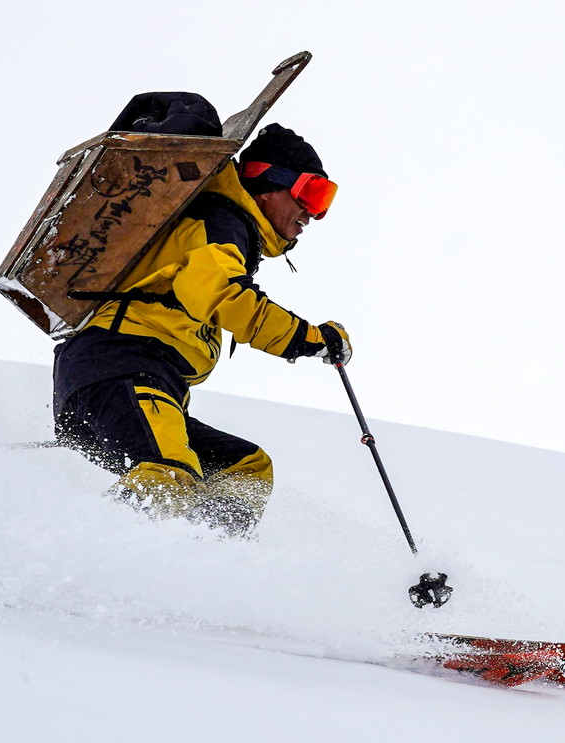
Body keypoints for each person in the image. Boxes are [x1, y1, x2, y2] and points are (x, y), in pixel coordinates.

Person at [51, 121, 350, 537]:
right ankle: (81, 563)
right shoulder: (222, 220)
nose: (314, 214)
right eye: (312, 194)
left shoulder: (229, 230)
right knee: (169, 474)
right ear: (268, 184)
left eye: (325, 200)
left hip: (136, 384)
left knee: (245, 468)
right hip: (122, 370)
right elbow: (218, 292)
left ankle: (202, 564)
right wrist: (307, 339)